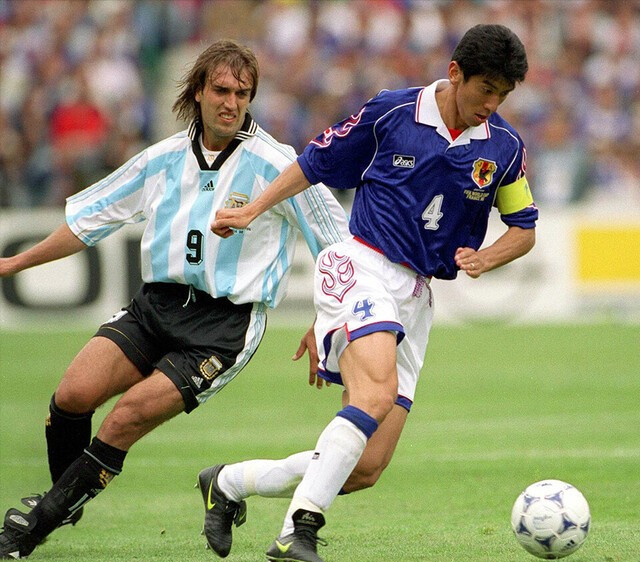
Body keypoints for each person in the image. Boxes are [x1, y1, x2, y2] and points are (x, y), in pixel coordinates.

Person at [0, 39, 350, 560]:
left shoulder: (277, 163)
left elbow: (336, 240)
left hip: (223, 326)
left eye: (243, 94)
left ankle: (28, 530)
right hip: (156, 305)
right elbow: (87, 220)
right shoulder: (162, 158)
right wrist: (14, 263)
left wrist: (328, 318)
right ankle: (65, 498)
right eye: (222, 90)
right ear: (199, 91)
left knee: (125, 418)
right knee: (72, 396)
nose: (232, 103)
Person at [202, 24, 538, 562]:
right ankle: (298, 530)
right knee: (375, 396)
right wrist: (252, 210)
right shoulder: (392, 113)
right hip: (360, 264)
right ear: (455, 73)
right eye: (486, 90)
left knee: (364, 467)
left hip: (417, 296)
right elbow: (313, 164)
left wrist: (486, 257)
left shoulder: (504, 148)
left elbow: (524, 229)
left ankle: (228, 483)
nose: (491, 105)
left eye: (503, 95)